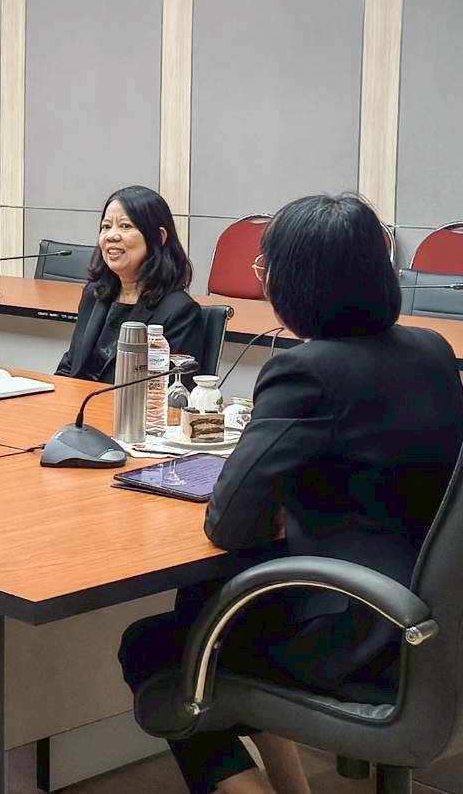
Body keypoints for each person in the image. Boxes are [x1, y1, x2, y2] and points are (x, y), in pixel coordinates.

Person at [119, 193, 463, 794]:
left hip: (357, 633)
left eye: (266, 266)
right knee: (203, 605)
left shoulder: (306, 371)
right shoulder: (431, 351)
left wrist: (275, 508)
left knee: (156, 649)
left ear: (297, 280)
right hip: (432, 628)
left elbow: (228, 522)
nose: (264, 278)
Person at [55, 185, 202, 382]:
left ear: (159, 237)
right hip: (80, 400)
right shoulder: (95, 293)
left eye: (125, 226)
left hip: (131, 402)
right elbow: (70, 366)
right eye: (106, 227)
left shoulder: (179, 311)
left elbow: (170, 389)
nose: (111, 236)